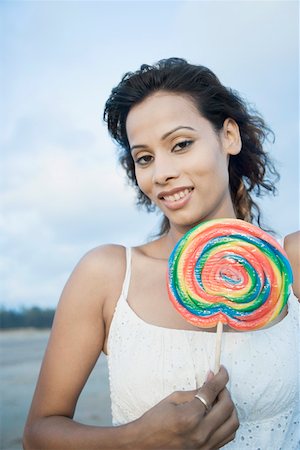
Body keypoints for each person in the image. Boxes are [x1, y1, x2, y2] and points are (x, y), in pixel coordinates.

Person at [23, 58, 299, 450]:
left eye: (181, 144)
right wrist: (136, 440)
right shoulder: (107, 274)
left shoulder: (291, 262)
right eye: (145, 157)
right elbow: (38, 434)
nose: (162, 173)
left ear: (229, 137)